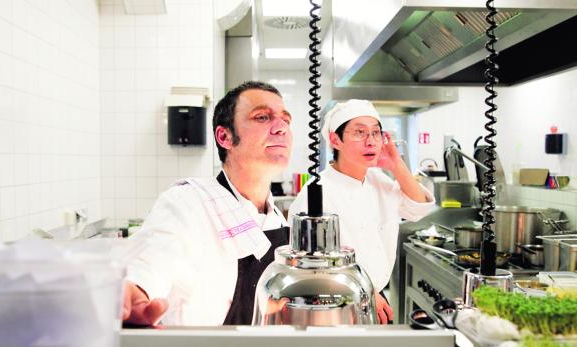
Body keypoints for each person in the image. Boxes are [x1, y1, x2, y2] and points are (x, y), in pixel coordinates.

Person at [122, 81, 293, 326]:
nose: (281, 128)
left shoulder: (276, 218)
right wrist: (135, 290)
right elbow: (153, 256)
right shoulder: (188, 201)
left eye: (286, 120)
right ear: (224, 136)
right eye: (263, 117)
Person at [288, 99, 435, 324]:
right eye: (359, 132)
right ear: (335, 140)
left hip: (376, 298)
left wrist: (396, 164)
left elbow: (418, 209)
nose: (371, 141)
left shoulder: (378, 180)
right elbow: (309, 269)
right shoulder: (316, 193)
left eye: (376, 133)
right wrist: (362, 291)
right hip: (334, 303)